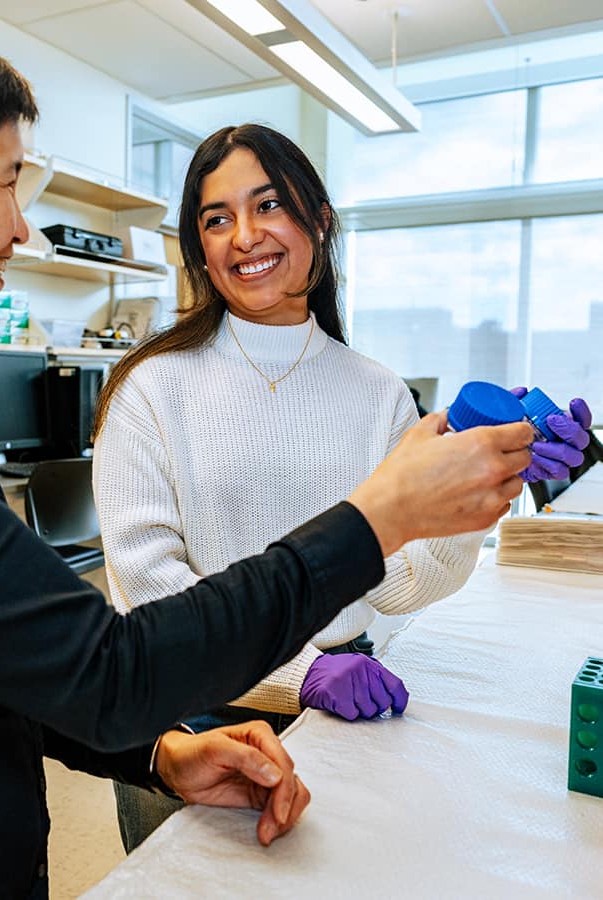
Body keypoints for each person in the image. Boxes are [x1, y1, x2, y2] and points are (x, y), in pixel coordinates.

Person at [0, 9, 534, 899]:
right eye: (5, 183)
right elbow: (109, 665)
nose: (21, 229)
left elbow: (1, 655)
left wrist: (156, 752)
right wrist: (377, 518)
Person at [91, 123, 593, 851]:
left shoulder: (377, 392)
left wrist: (484, 484)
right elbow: (147, 589)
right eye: (216, 218)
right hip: (194, 723)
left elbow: (396, 581)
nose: (243, 237)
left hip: (346, 710)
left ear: (319, 220)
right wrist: (303, 673)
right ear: (197, 246)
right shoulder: (149, 389)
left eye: (268, 206)